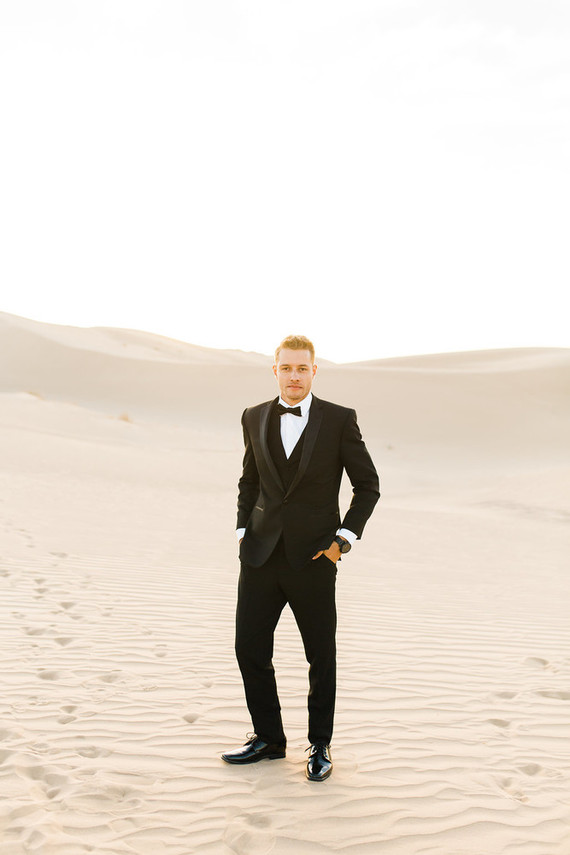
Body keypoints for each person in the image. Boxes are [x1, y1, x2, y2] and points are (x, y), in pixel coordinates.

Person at [221, 335, 380, 781]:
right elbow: (248, 481)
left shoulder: (339, 420)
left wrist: (342, 541)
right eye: (286, 368)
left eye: (302, 368)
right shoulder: (252, 416)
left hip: (314, 558)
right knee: (249, 649)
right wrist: (241, 531)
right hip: (259, 556)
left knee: (320, 656)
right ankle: (269, 739)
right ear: (275, 370)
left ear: (314, 371)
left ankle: (319, 745)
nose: (294, 376)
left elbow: (368, 486)